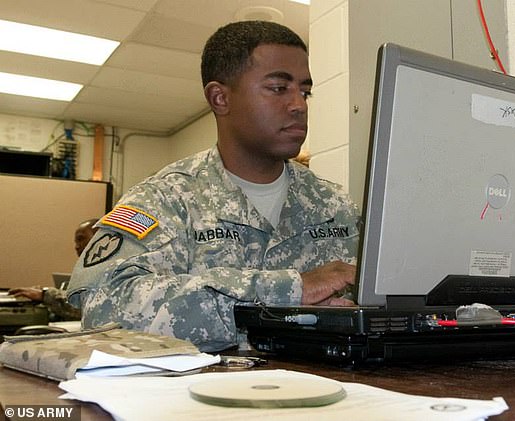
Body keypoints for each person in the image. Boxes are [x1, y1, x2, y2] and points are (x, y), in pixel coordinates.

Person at [67, 21, 360, 352]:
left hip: (330, 394)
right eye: (279, 88)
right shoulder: (165, 199)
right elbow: (102, 308)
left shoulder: (336, 206)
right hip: (200, 398)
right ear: (220, 98)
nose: (299, 105)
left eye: (304, 91)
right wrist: (287, 290)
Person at [9, 218, 99, 321]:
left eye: (81, 239)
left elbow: (85, 307)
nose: (76, 246)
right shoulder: (88, 269)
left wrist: (44, 295)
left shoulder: (110, 270)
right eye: (76, 241)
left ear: (99, 239)